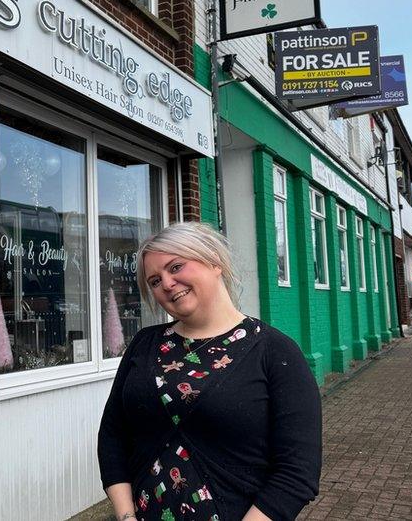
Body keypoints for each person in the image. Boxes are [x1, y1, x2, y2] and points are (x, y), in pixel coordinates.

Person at [98, 222, 321, 521]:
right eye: (154, 280)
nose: (166, 283)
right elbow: (113, 435)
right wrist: (125, 516)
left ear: (214, 261)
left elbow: (297, 472)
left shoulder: (275, 351)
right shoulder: (144, 344)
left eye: (176, 266)